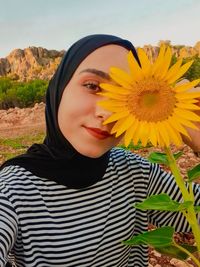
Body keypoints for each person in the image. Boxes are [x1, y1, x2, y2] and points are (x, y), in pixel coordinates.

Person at [0, 34, 200, 267]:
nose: (107, 113)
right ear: (59, 88)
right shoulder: (11, 191)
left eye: (124, 98)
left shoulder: (135, 173)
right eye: (92, 86)